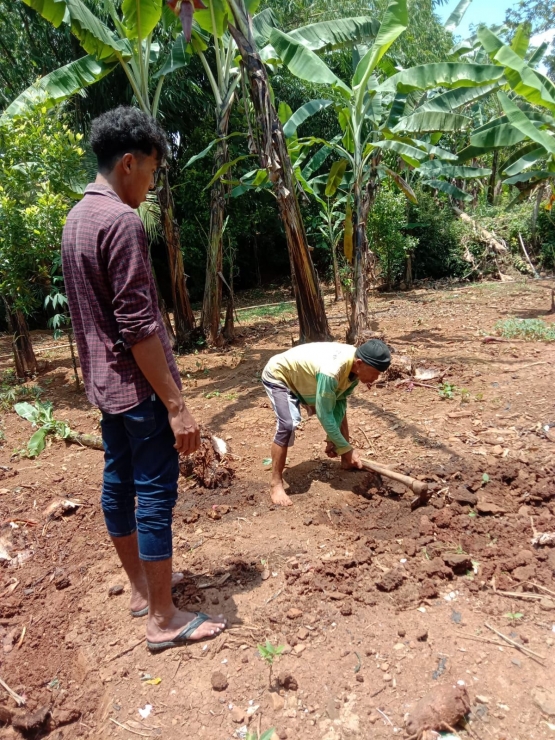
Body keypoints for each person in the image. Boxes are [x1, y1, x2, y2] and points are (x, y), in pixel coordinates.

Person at [61, 107, 226, 652]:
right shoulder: (121, 222)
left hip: (105, 390)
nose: (151, 186)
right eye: (152, 173)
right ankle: (163, 619)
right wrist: (176, 405)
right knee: (154, 495)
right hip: (138, 391)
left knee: (118, 484)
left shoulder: (77, 218)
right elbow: (137, 326)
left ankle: (140, 590)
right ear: (127, 163)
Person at [262, 339, 391, 506]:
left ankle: (346, 460)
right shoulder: (333, 370)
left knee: (341, 412)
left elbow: (339, 402)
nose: (376, 378)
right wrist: (346, 447)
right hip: (280, 375)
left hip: (304, 379)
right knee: (287, 425)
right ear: (359, 363)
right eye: (375, 373)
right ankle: (276, 483)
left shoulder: (354, 371)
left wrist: (334, 441)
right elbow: (324, 413)